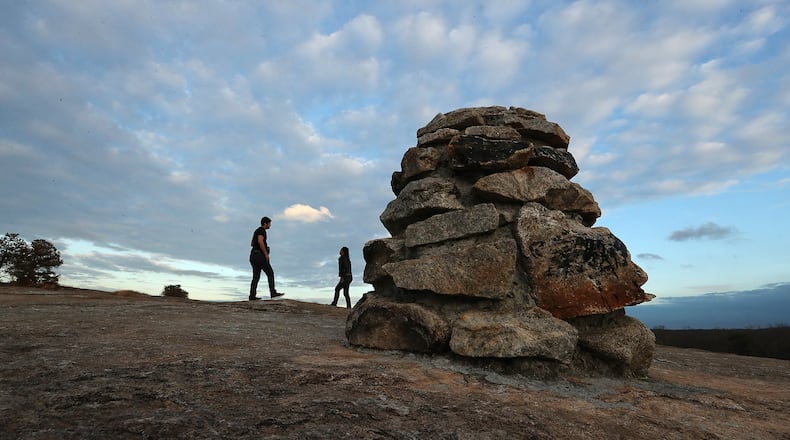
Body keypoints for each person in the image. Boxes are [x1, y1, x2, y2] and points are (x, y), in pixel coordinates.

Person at [249, 216, 284, 300]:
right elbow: (260, 241)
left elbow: (252, 243)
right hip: (259, 256)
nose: (270, 225)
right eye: (269, 223)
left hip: (253, 256)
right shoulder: (262, 230)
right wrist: (266, 254)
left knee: (256, 276)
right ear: (265, 223)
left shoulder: (256, 231)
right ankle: (273, 293)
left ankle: (252, 296)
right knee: (270, 273)